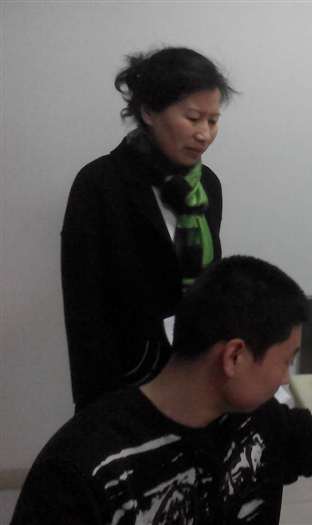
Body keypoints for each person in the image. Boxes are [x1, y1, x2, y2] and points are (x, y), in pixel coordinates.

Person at [12, 255, 312, 524]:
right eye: (286, 361)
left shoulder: (260, 422)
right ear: (234, 357)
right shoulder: (78, 473)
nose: (284, 380)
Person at [61, 47, 236, 410]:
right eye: (193, 118)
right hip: (127, 381)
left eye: (213, 120)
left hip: (195, 372)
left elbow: (209, 283)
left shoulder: (208, 185)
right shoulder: (99, 184)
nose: (204, 134)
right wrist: (98, 411)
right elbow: (85, 312)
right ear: (148, 112)